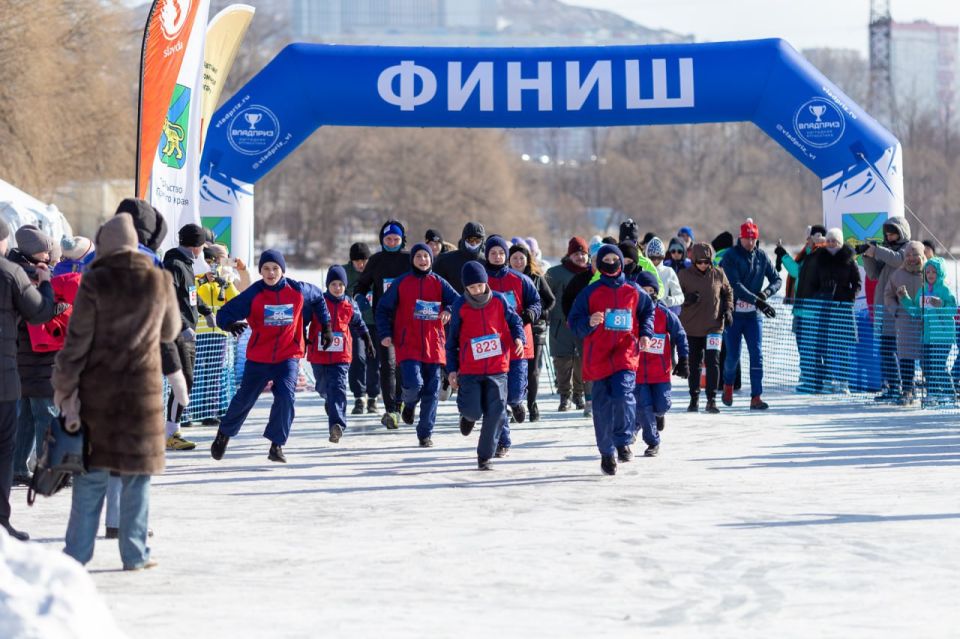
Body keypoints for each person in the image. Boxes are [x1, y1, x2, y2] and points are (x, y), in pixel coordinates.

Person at [53, 215, 181, 570]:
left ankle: (75, 557)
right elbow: (170, 331)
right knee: (137, 480)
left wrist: (64, 389)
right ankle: (135, 554)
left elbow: (76, 344)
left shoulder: (93, 281)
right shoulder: (159, 280)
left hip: (99, 396)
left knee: (91, 479)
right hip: (142, 395)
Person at [211, 250, 331, 463]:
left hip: (288, 355)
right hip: (260, 356)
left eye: (275, 268)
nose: (271, 272)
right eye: (266, 268)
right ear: (260, 271)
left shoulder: (298, 290)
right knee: (244, 398)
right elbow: (224, 313)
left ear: (282, 270)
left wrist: (327, 326)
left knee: (286, 397)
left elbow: (320, 299)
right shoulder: (254, 293)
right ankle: (224, 434)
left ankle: (276, 445)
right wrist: (228, 324)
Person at [568, 245, 654, 475]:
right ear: (599, 264)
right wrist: (589, 321)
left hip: (625, 352)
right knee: (602, 405)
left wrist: (645, 333)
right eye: (606, 259)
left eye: (615, 258)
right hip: (599, 355)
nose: (611, 262)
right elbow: (573, 322)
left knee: (624, 395)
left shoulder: (633, 290)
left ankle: (623, 440)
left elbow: (648, 311)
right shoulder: (590, 292)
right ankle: (606, 453)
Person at [0, 221, 56, 540]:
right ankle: (1, 521)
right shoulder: (12, 273)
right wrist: (47, 285)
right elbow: (39, 312)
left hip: (15, 369)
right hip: (10, 374)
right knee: (6, 447)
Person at [9, 226, 75, 487]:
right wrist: (60, 306)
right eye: (46, 253)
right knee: (46, 412)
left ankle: (17, 467)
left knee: (26, 413)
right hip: (38, 356)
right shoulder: (27, 274)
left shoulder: (15, 269)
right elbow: (35, 309)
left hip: (21, 356)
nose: (49, 259)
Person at [375, 243, 459, 446]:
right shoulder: (402, 282)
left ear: (431, 259)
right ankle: (409, 404)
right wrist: (386, 333)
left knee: (432, 390)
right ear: (412, 259)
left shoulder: (439, 282)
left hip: (434, 343)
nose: (423, 260)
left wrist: (448, 308)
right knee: (414, 384)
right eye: (419, 256)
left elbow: (458, 301)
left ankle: (425, 434)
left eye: (426, 256)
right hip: (408, 343)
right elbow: (382, 308)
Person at [445, 262, 525, 470]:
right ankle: (467, 415)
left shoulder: (499, 300)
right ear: (465, 288)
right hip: (470, 368)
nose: (477, 291)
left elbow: (515, 322)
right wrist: (452, 369)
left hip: (498, 367)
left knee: (496, 413)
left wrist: (518, 339)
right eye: (472, 288)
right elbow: (452, 340)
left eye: (480, 286)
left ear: (486, 282)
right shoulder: (460, 305)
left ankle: (485, 456)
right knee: (473, 410)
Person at [483, 235, 541, 455]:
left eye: (500, 253)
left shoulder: (519, 279)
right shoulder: (482, 280)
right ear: (487, 255)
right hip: (492, 346)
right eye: (493, 253)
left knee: (514, 393)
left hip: (518, 343)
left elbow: (536, 302)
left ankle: (518, 403)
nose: (497, 257)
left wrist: (529, 314)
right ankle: (502, 441)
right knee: (497, 399)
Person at [162, 224, 217, 450]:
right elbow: (169, 297)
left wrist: (206, 311)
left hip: (187, 332)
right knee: (183, 380)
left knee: (187, 380)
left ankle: (172, 430)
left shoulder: (187, 265)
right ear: (196, 246)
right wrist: (183, 324)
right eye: (202, 245)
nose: (203, 250)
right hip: (176, 333)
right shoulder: (174, 264)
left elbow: (190, 296)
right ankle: (170, 433)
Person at [307, 265, 375, 443]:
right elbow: (304, 319)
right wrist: (302, 336)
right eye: (333, 284)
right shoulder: (318, 302)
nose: (337, 288)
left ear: (345, 286)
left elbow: (359, 323)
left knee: (338, 387)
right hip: (319, 354)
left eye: (340, 284)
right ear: (327, 285)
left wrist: (367, 339)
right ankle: (328, 398)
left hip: (341, 355)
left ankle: (336, 425)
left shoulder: (349, 303)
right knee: (323, 386)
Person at [719, 218, 782, 410]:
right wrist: (758, 301)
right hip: (734, 314)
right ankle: (728, 385)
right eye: (747, 238)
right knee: (733, 356)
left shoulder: (762, 256)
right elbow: (735, 285)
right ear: (740, 237)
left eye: (753, 238)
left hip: (753, 316)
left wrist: (765, 294)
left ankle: (756, 396)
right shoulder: (730, 256)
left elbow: (777, 279)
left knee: (757, 354)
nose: (751, 242)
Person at [355, 220, 410, 429]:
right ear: (382, 240)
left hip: (406, 321)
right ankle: (391, 410)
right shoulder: (376, 260)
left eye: (396, 239)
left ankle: (401, 400)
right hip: (383, 320)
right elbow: (360, 285)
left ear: (402, 240)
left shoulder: (409, 259)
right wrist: (360, 298)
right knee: (387, 365)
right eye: (388, 239)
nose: (392, 242)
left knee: (403, 365)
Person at [633, 270, 689, 456]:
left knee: (661, 406)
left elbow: (680, 334)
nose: (647, 294)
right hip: (638, 371)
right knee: (643, 406)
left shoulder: (663, 313)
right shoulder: (632, 313)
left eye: (650, 290)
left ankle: (646, 418)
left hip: (660, 372)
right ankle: (652, 442)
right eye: (643, 289)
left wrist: (684, 359)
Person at [860, 216, 911, 401]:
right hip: (884, 308)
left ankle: (906, 388)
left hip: (901, 308)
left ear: (901, 232)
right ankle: (892, 387)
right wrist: (868, 256)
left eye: (892, 233)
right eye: (887, 234)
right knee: (886, 350)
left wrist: (878, 250)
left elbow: (899, 261)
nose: (889, 237)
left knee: (904, 351)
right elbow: (873, 274)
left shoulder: (909, 248)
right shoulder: (887, 251)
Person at [678, 242, 733, 414]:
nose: (703, 265)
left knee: (713, 362)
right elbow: (676, 296)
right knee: (694, 364)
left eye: (706, 262)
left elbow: (728, 292)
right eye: (700, 261)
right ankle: (694, 398)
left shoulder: (718, 273)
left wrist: (728, 309)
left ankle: (712, 399)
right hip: (692, 327)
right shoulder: (684, 275)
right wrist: (687, 298)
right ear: (693, 260)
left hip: (714, 325)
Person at [775, 225, 827, 393]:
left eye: (809, 238)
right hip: (801, 309)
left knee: (809, 347)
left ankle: (813, 380)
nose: (807, 241)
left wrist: (783, 256)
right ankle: (810, 377)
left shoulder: (818, 255)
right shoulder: (808, 254)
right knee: (804, 346)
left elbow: (798, 272)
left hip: (811, 310)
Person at [808, 228, 860, 393]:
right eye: (829, 240)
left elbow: (857, 283)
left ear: (840, 242)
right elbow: (813, 282)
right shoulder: (820, 259)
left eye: (834, 241)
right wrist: (819, 295)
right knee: (827, 345)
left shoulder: (849, 259)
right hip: (826, 308)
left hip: (843, 308)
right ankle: (828, 380)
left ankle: (843, 381)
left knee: (843, 347)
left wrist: (850, 298)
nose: (831, 243)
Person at [193, 244, 241, 425]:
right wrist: (203, 280)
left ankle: (209, 411)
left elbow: (236, 299)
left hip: (219, 333)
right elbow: (190, 295)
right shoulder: (195, 277)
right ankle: (192, 410)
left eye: (213, 262)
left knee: (214, 373)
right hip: (199, 332)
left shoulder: (223, 278)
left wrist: (225, 284)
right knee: (196, 372)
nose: (210, 266)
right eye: (206, 262)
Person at [900, 256, 956, 406]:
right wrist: (904, 298)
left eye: (934, 272)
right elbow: (916, 312)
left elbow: (953, 310)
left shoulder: (945, 289)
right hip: (927, 336)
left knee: (938, 365)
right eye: (928, 271)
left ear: (940, 273)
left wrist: (942, 304)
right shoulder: (922, 290)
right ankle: (933, 392)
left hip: (942, 335)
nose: (930, 275)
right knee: (927, 366)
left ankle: (950, 394)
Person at [508, 241, 555, 422]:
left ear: (528, 259)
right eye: (515, 258)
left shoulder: (535, 277)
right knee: (514, 369)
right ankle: (515, 403)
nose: (519, 262)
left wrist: (537, 313)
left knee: (533, 370)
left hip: (534, 329)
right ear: (509, 260)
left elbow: (550, 300)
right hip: (511, 330)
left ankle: (532, 403)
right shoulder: (504, 279)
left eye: (522, 258)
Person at [545, 237, 589, 412]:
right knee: (562, 362)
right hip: (559, 326)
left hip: (582, 325)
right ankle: (565, 396)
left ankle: (579, 395)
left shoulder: (592, 273)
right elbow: (544, 296)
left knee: (581, 362)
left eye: (583, 253)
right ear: (569, 255)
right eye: (576, 253)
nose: (580, 257)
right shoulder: (554, 273)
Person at [886, 242, 926, 406]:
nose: (911, 259)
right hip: (905, 322)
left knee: (928, 356)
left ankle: (933, 389)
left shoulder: (929, 272)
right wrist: (895, 310)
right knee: (906, 357)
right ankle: (907, 389)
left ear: (921, 256)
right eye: (908, 255)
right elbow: (888, 295)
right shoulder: (897, 275)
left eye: (915, 255)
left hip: (925, 323)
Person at [344, 242, 380, 415]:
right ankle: (359, 396)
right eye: (356, 261)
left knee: (374, 359)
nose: (360, 264)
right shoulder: (345, 273)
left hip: (374, 322)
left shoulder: (376, 269)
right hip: (355, 324)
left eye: (364, 260)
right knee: (357, 357)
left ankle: (373, 396)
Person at [433, 221, 486, 293]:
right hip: (453, 303)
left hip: (480, 303)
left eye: (477, 240)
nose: (474, 243)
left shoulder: (486, 261)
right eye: (470, 240)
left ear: (482, 241)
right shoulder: (446, 260)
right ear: (464, 239)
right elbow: (434, 284)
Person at [644, 237, 685, 314]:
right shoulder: (642, 271)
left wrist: (671, 300)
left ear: (663, 257)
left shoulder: (668, 272)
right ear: (647, 256)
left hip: (662, 314)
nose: (656, 261)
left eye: (659, 258)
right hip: (645, 313)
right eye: (653, 258)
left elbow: (680, 297)